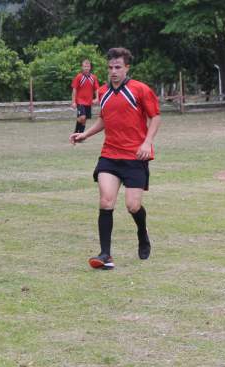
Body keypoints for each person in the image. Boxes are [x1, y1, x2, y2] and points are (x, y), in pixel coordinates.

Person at [69, 48, 161, 270]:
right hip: (110, 155)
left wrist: (147, 142)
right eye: (110, 68)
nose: (113, 72)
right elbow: (105, 120)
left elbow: (155, 117)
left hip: (135, 157)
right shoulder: (103, 92)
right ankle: (105, 254)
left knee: (132, 206)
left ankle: (142, 233)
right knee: (106, 201)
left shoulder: (140, 90)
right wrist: (85, 134)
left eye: (118, 67)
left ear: (127, 67)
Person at [71, 59, 99, 134]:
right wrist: (73, 102)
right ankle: (76, 133)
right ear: (82, 67)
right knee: (82, 117)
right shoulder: (79, 77)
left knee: (84, 119)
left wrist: (97, 98)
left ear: (90, 67)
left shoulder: (93, 77)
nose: (86, 68)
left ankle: (80, 135)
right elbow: (74, 89)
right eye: (84, 66)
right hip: (80, 101)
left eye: (88, 66)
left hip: (89, 102)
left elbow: (97, 89)